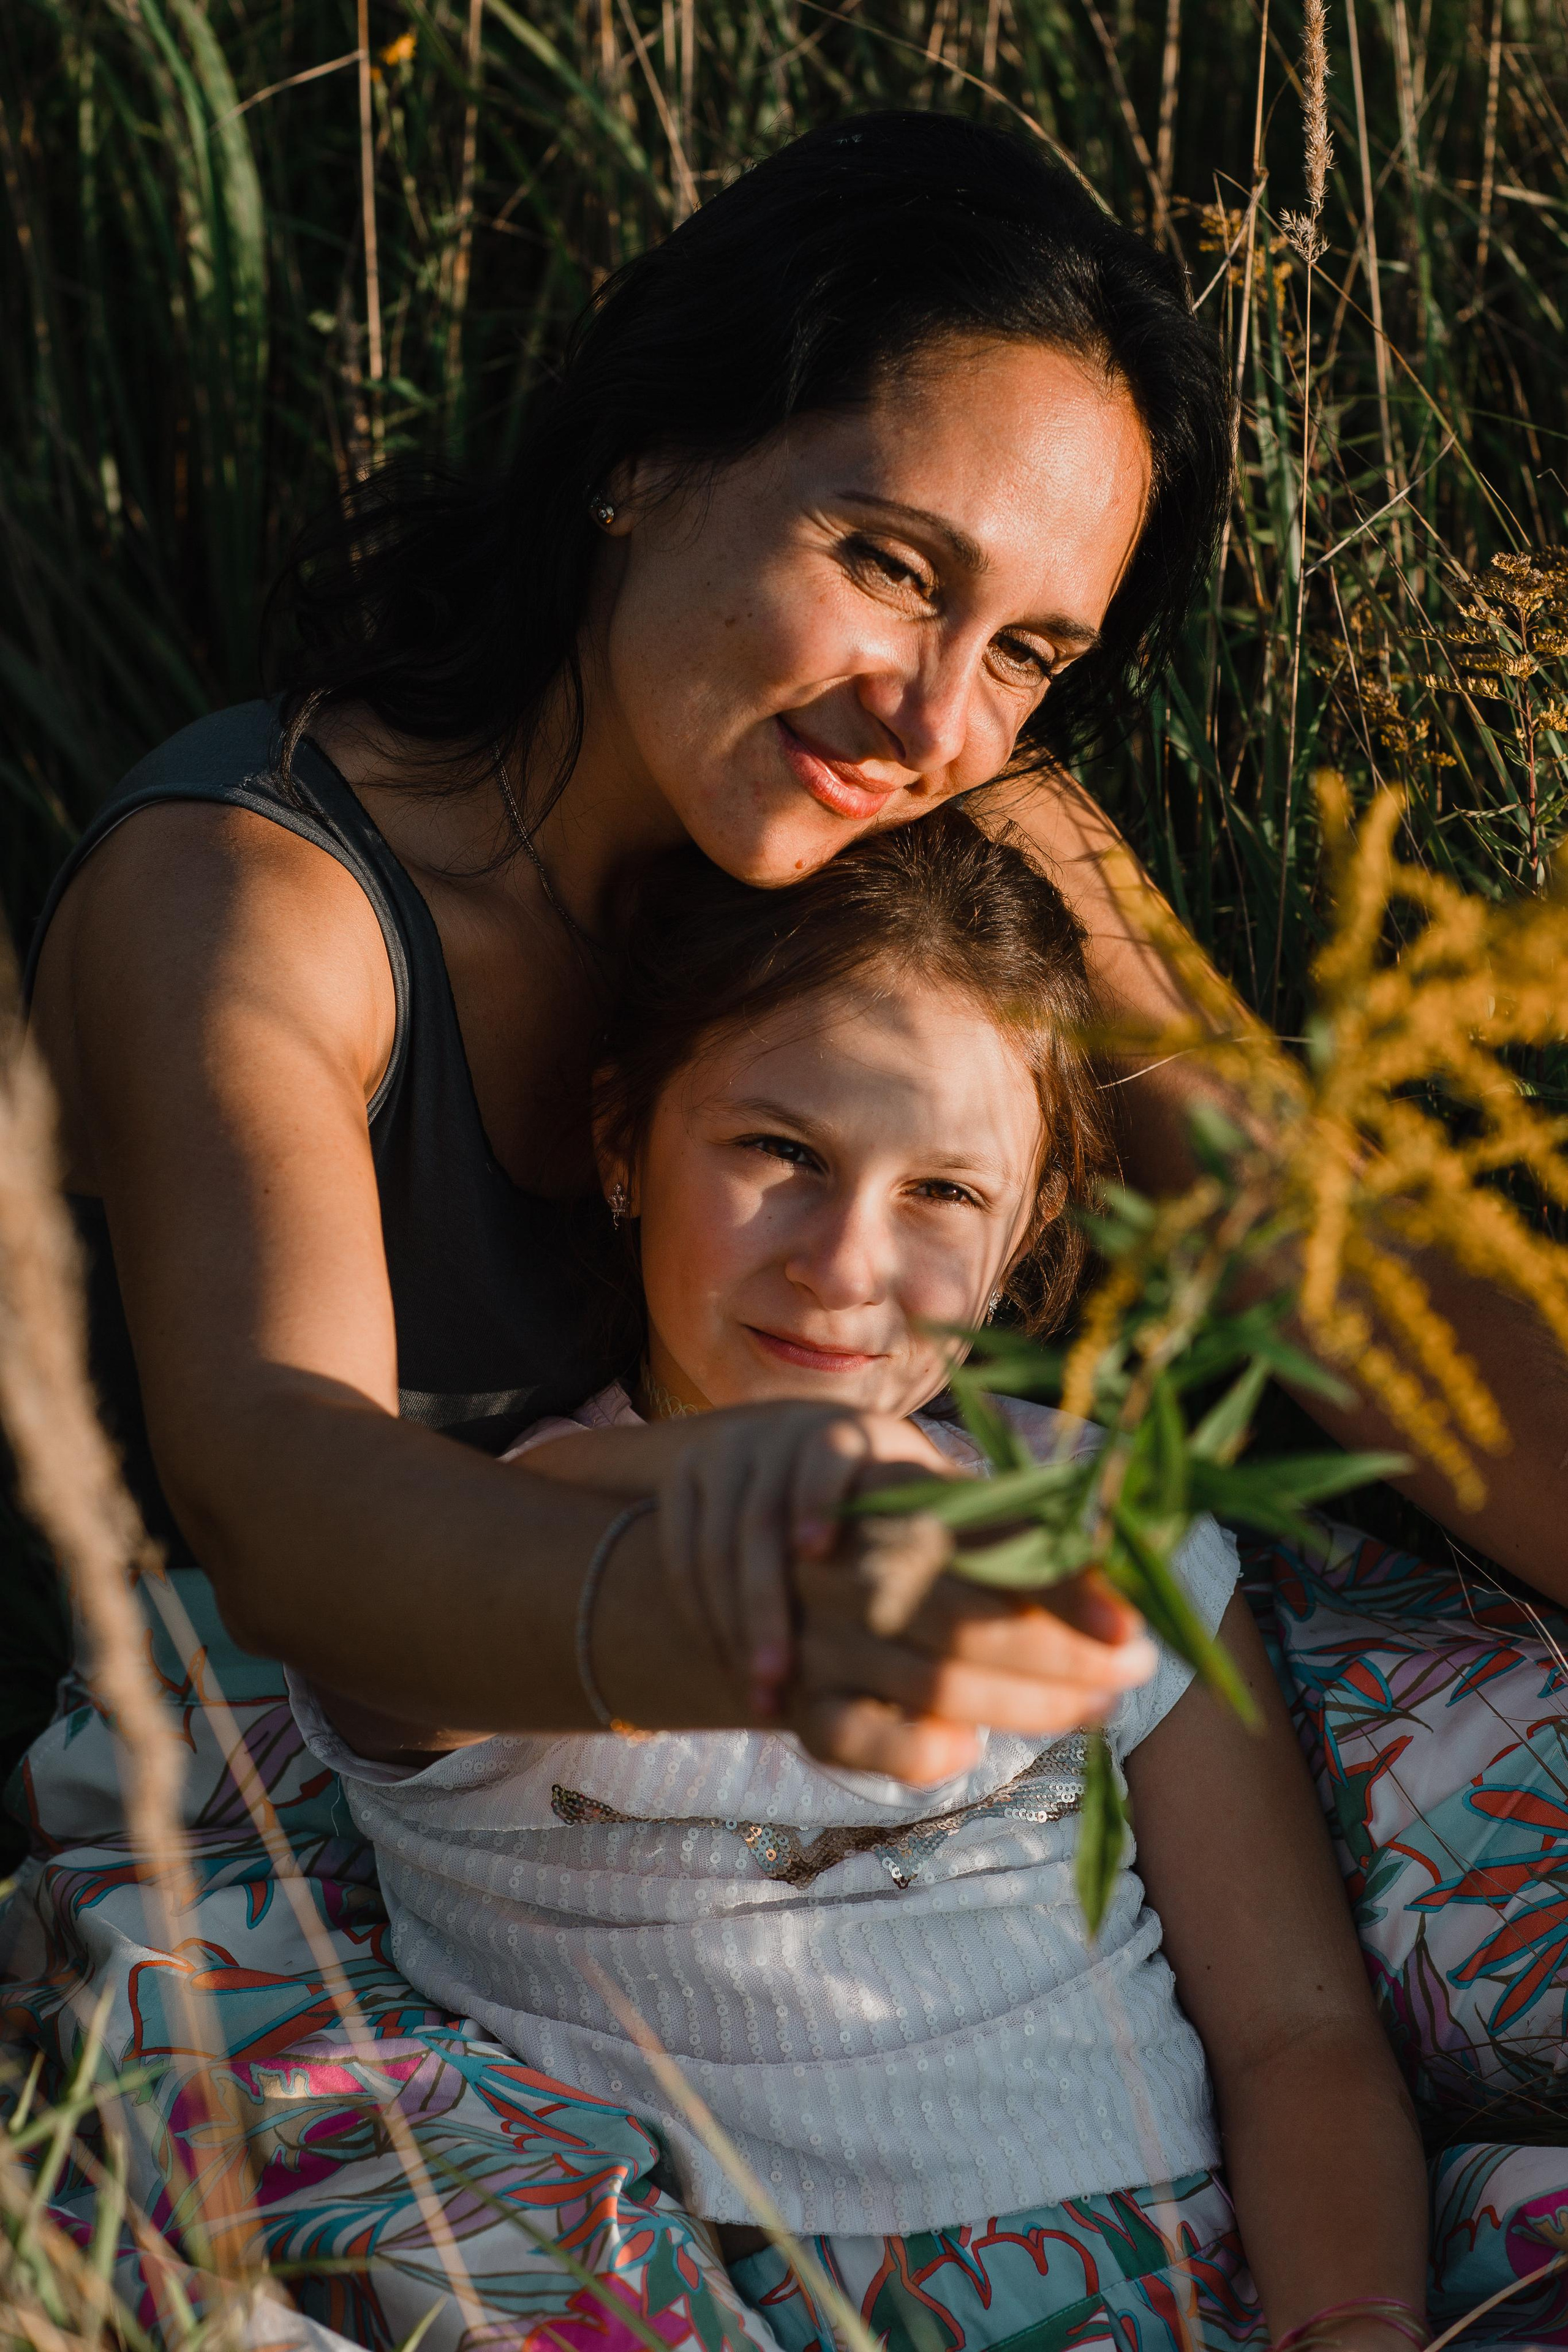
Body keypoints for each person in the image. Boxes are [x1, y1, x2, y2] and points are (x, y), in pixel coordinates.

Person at [2, 105, 1564, 2346]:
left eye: (1031, 648)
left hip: (955, 1637)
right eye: (892, 562)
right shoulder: (258, 895)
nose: (935, 713)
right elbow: (281, 1473)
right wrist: (711, 1599)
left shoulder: (950, 810)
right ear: (645, 451)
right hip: (431, 1767)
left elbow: (1325, 1267)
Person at [295, 810, 1430, 2352]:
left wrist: (1347, 2330)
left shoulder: (1099, 1516)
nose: (846, 1264)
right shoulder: (479, 1533)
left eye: (942, 1195)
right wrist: (782, 1487)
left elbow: (1294, 2029)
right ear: (621, 1142)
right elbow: (492, 1574)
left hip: (1142, 2269)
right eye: (781, 1153)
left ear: (1027, 1229)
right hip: (670, 2293)